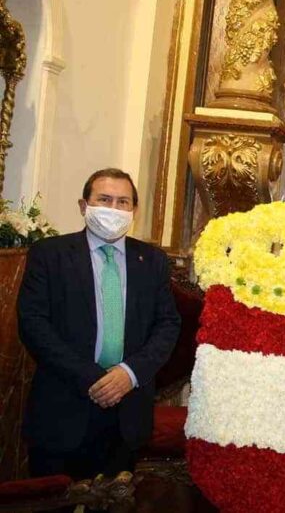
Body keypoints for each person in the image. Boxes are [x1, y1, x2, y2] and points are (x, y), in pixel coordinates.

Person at [18, 168, 181, 481]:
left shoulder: (153, 261)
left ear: (134, 210)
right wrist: (93, 378)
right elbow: (34, 325)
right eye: (104, 200)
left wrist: (128, 375)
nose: (113, 209)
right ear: (84, 206)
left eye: (123, 202)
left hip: (127, 413)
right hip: (63, 407)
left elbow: (167, 325)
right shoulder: (49, 255)